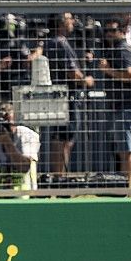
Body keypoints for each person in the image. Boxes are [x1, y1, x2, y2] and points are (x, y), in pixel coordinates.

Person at [99, 19, 131, 188]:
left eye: (112, 31)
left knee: (126, 151)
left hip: (128, 107)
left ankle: (124, 190)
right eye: (106, 31)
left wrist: (107, 71)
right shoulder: (117, 49)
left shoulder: (122, 50)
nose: (108, 34)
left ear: (121, 32)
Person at [44, 12, 95, 177]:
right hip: (67, 97)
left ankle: (59, 176)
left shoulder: (51, 43)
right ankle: (59, 177)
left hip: (60, 96)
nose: (73, 21)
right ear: (60, 23)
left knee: (62, 137)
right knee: (64, 139)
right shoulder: (60, 43)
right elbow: (71, 72)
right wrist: (86, 80)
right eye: (69, 19)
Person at [0, 102, 40, 192]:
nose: (5, 128)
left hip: (25, 196)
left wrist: (6, 141)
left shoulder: (26, 134)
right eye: (1, 124)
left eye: (7, 124)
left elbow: (24, 167)